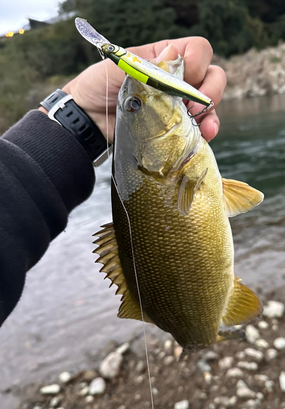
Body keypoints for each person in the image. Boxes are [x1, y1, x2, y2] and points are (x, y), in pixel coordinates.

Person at [0, 37, 226, 326]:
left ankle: (200, 331)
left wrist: (79, 114)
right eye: (134, 105)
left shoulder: (170, 168)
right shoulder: (173, 168)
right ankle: (202, 332)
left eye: (133, 105)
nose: (135, 102)